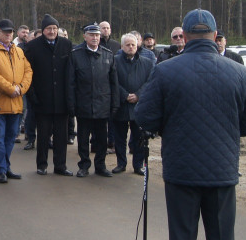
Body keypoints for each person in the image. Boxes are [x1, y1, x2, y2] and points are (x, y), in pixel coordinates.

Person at [134, 8, 246, 240]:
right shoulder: (238, 73)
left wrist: (171, 126)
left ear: (186, 36)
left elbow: (144, 116)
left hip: (182, 172)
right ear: (215, 36)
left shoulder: (166, 71)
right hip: (221, 172)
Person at [0, 19, 33, 183]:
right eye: (5, 32)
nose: (8, 34)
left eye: (10, 32)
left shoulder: (18, 51)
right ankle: (1, 170)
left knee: (10, 137)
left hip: (16, 102)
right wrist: (11, 89)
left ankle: (6, 167)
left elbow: (28, 70)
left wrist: (22, 88)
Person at [22, 13, 73, 176]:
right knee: (43, 136)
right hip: (42, 99)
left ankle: (60, 165)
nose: (52, 31)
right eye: (49, 28)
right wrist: (32, 95)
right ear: (43, 30)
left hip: (61, 99)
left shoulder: (66, 44)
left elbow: (71, 72)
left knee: (61, 136)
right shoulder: (33, 46)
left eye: (55, 28)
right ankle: (42, 165)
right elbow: (27, 73)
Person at [67, 23, 119, 177]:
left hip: (103, 105)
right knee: (83, 138)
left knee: (102, 139)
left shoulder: (108, 55)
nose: (95, 38)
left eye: (97, 35)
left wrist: (114, 104)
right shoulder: (75, 55)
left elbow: (114, 83)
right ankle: (84, 165)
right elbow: (70, 83)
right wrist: (71, 105)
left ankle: (100, 166)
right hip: (83, 105)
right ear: (85, 36)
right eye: (91, 35)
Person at [112, 33, 154, 174]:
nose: (131, 47)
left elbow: (149, 82)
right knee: (119, 138)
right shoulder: (114, 61)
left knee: (139, 138)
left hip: (139, 106)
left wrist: (138, 95)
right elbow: (112, 81)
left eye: (133, 45)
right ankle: (121, 163)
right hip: (121, 105)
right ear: (122, 46)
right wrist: (124, 95)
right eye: (128, 45)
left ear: (137, 46)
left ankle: (138, 165)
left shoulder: (147, 63)